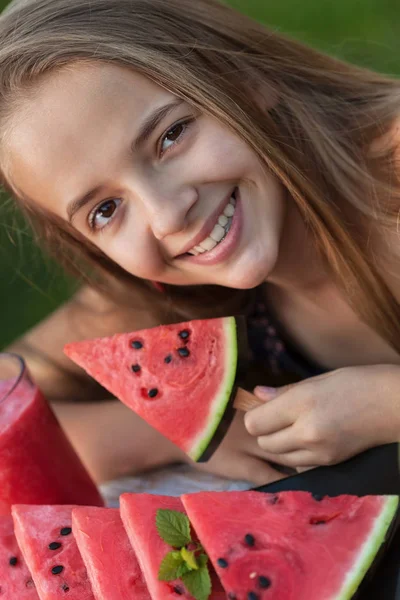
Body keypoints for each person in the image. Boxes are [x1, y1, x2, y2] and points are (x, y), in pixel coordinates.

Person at [0, 0, 400, 489]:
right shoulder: (161, 289)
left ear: (248, 80)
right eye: (105, 211)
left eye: (170, 136)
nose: (167, 215)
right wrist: (179, 429)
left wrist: (384, 405)